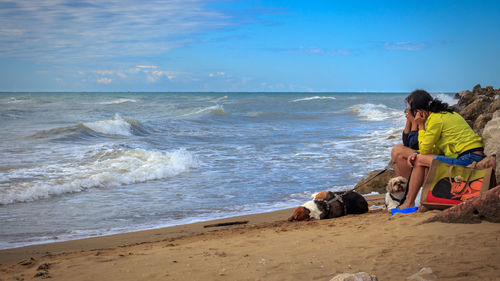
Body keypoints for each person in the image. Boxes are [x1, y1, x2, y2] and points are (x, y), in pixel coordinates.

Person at [396, 90, 485, 209]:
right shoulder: (446, 113)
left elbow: (425, 149)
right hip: (472, 155)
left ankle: (409, 202)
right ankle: (418, 199)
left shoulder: (435, 119)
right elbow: (435, 148)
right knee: (419, 157)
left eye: (413, 110)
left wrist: (421, 126)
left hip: (469, 158)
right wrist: (417, 153)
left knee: (418, 160)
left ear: (419, 111)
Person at [391, 106, 420, 179]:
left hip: (430, 154)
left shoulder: (424, 121)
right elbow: (406, 142)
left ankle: (408, 186)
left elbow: (413, 145)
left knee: (398, 153)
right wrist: (409, 121)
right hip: (420, 152)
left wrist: (414, 122)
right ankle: (403, 185)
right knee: (396, 151)